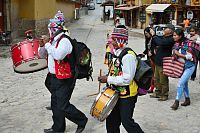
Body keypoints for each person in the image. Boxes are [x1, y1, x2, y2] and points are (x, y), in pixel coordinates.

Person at [38, 11, 88, 133]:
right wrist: (42, 46)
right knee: (55, 104)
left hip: (65, 78)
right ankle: (58, 128)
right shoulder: (53, 41)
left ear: (56, 29)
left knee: (63, 105)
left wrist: (48, 45)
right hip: (54, 77)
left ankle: (82, 120)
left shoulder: (64, 40)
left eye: (51, 29)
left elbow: (59, 55)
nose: (49, 31)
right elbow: (41, 55)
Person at [98, 27, 144, 133]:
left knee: (127, 122)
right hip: (115, 92)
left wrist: (108, 79)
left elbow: (127, 79)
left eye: (114, 40)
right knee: (111, 121)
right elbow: (117, 71)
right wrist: (108, 77)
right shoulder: (117, 53)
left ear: (120, 40)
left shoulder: (128, 56)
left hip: (127, 94)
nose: (111, 42)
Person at [170, 28, 199, 110]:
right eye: (173, 35)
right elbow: (175, 52)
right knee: (184, 83)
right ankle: (187, 99)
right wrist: (174, 55)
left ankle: (176, 101)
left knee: (180, 83)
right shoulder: (176, 43)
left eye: (175, 35)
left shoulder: (188, 43)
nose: (173, 37)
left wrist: (178, 54)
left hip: (190, 67)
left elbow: (190, 57)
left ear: (180, 36)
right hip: (182, 67)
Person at [150, 24, 175, 101]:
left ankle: (164, 94)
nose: (164, 29)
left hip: (164, 62)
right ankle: (158, 92)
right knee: (157, 78)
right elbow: (156, 41)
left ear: (170, 31)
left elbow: (160, 42)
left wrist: (154, 35)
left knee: (163, 79)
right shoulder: (164, 37)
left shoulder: (171, 39)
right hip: (158, 61)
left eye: (166, 28)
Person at [141, 27, 155, 93]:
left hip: (154, 58)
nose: (146, 35)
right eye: (145, 34)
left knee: (153, 73)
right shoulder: (147, 39)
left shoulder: (154, 39)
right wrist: (143, 53)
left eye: (147, 33)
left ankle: (152, 87)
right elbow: (147, 49)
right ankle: (151, 86)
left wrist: (151, 52)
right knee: (150, 72)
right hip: (149, 57)